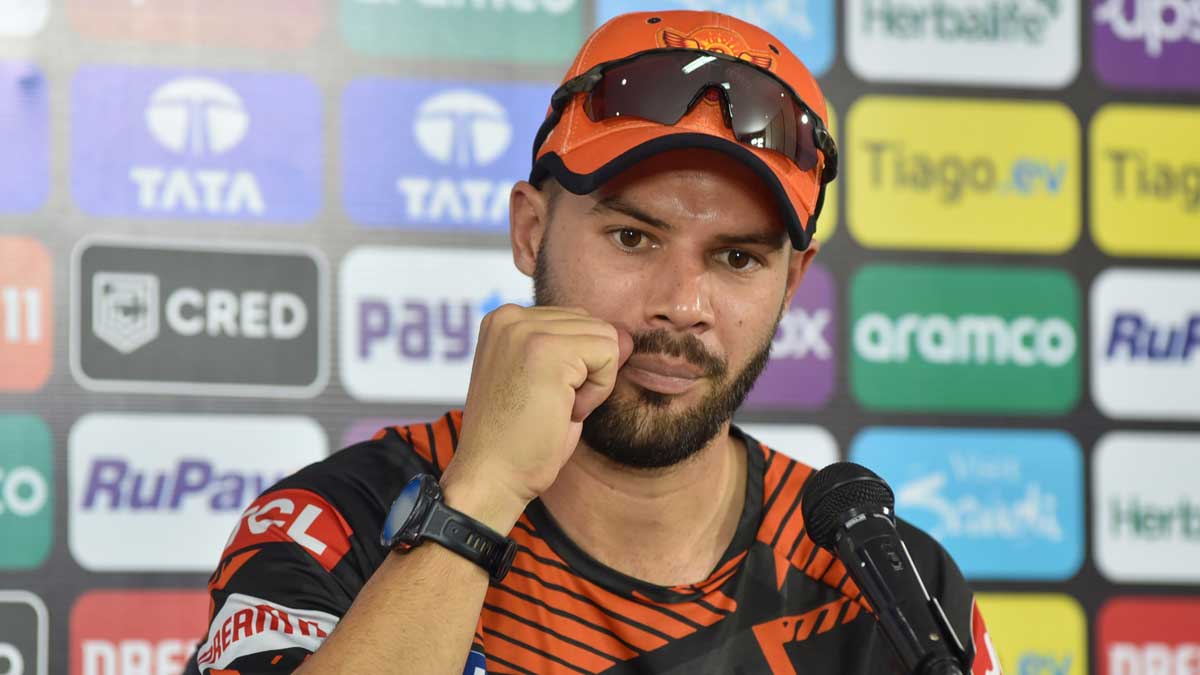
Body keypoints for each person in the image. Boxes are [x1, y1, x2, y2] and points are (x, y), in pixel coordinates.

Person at [184, 10, 1000, 674]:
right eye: (633, 238)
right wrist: (479, 498)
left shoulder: (884, 585)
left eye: (737, 258)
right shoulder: (335, 524)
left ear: (792, 283)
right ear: (531, 230)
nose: (682, 305)